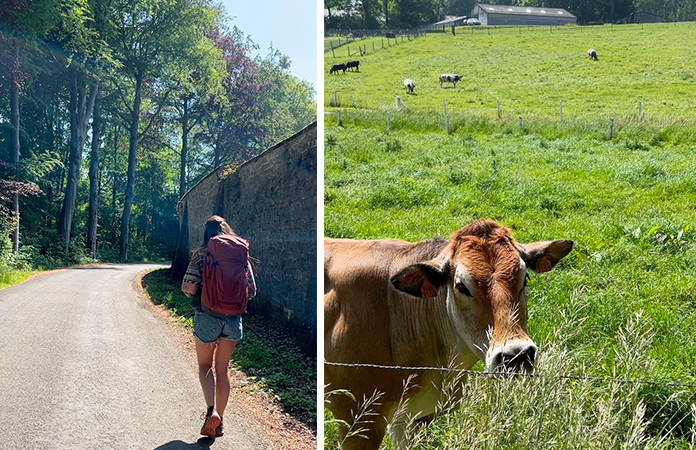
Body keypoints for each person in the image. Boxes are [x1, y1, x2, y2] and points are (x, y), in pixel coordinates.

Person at [181, 215, 256, 437]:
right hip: (233, 319)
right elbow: (251, 291)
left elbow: (189, 287)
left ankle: (210, 411)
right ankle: (220, 419)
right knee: (222, 369)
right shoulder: (242, 255)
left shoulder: (201, 254)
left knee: (205, 366)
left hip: (207, 317)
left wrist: (201, 292)